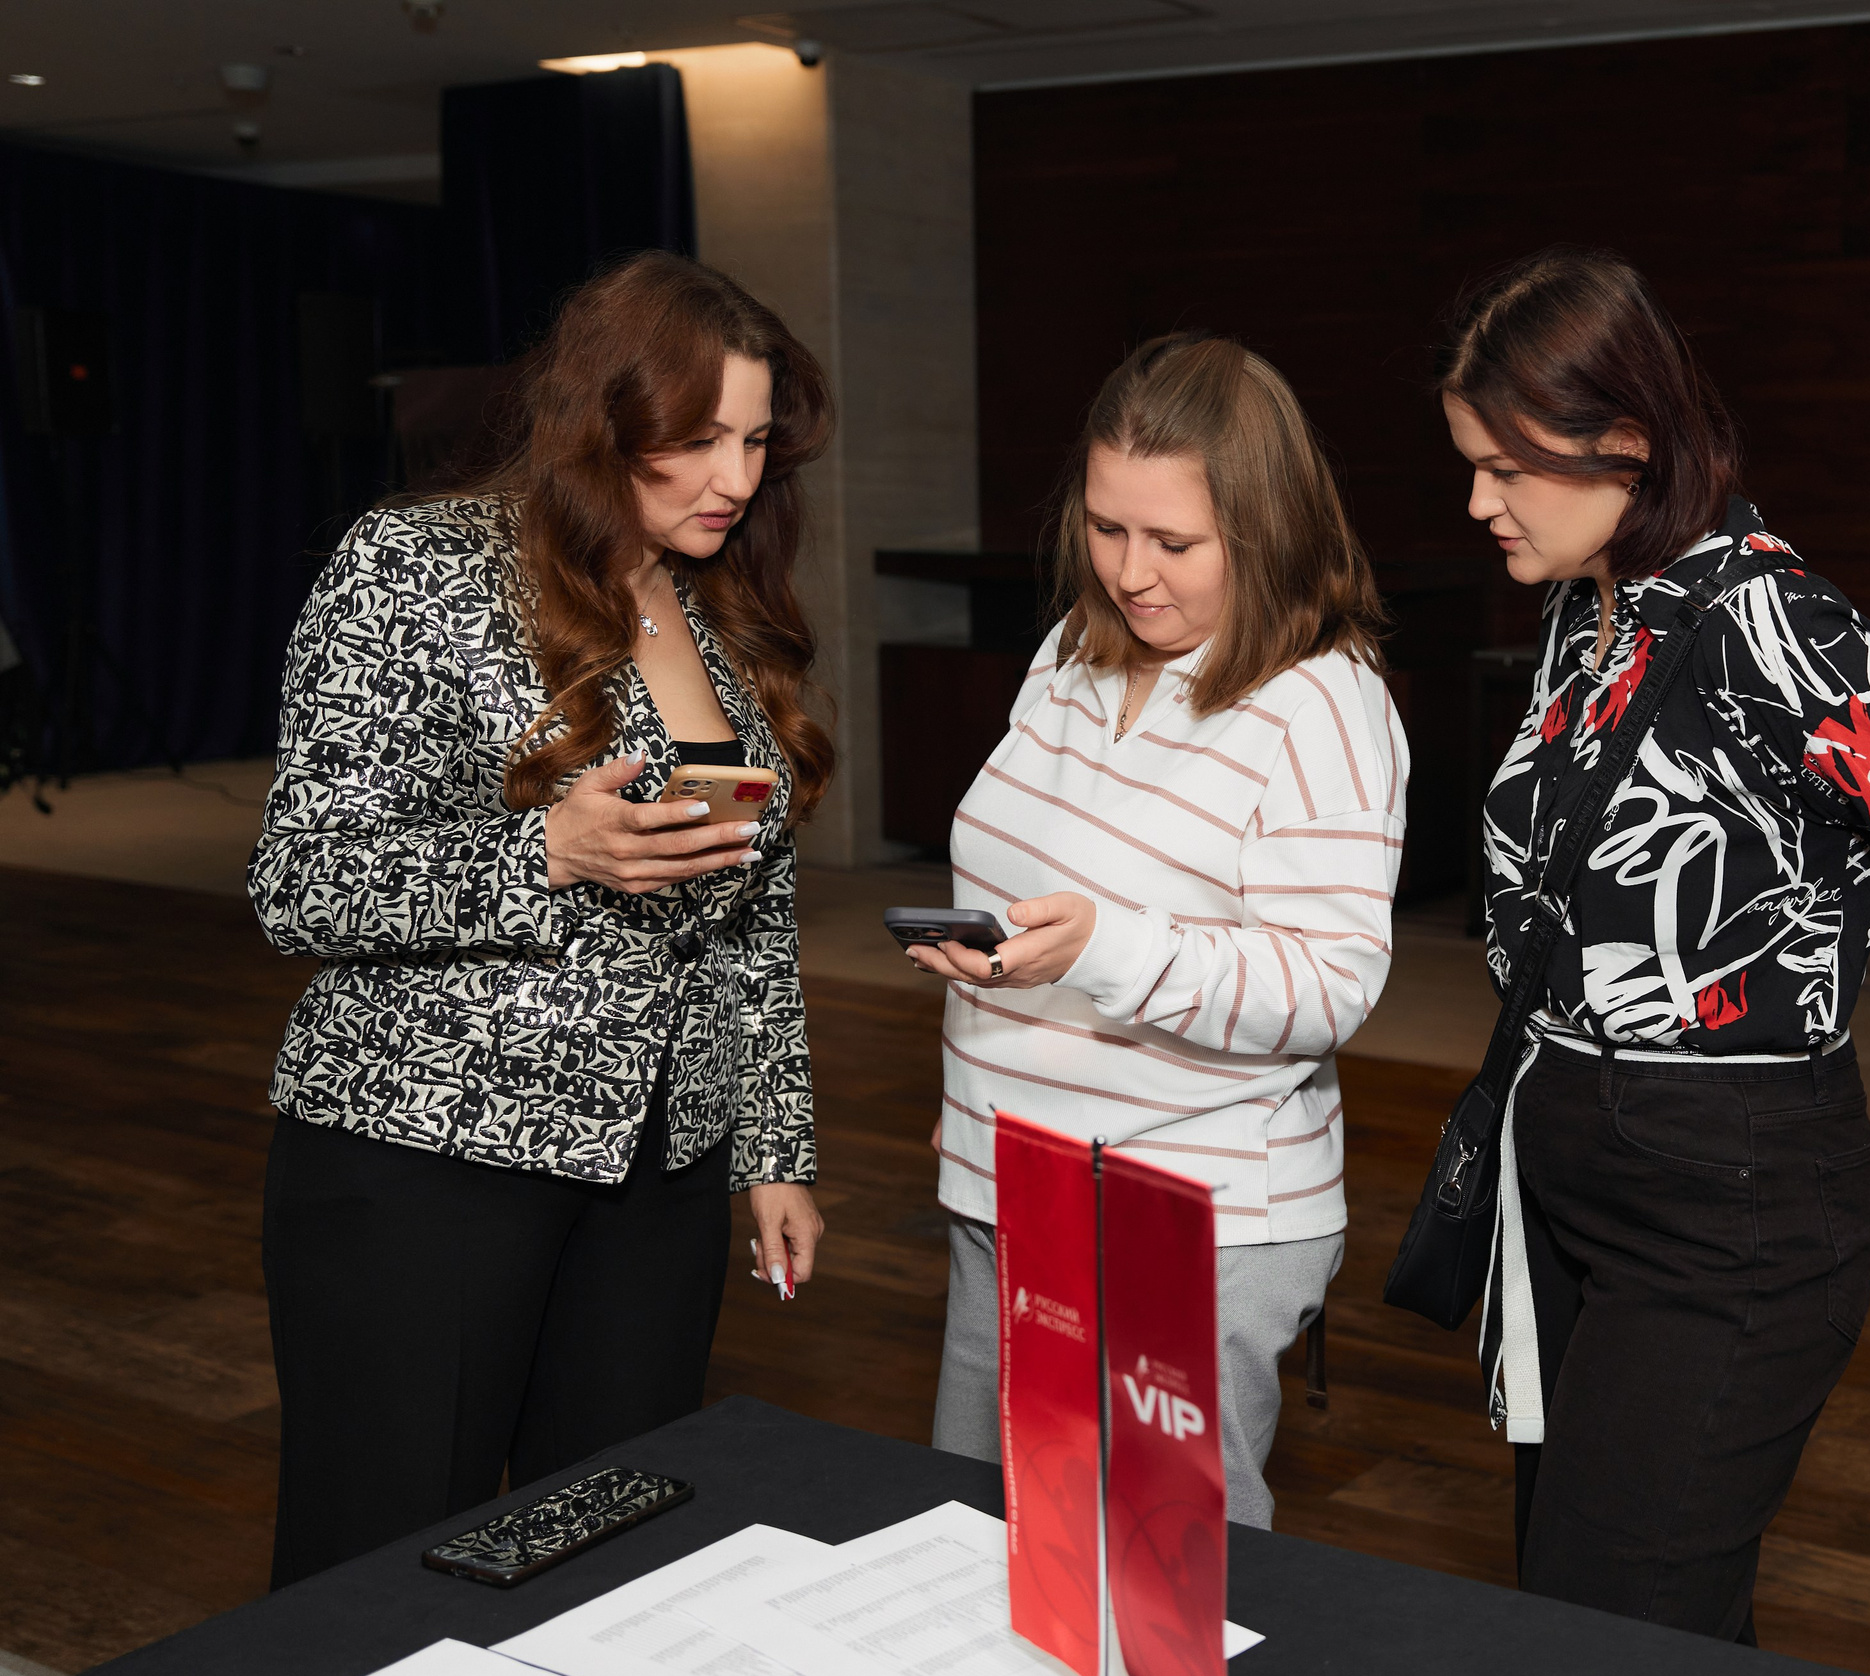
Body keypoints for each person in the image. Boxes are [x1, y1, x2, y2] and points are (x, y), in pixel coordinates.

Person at [1440, 248, 1870, 1640]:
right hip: (1572, 1171)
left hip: (1722, 1198)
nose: (1479, 499)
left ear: (1624, 439)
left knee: (1604, 1622)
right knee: (1625, 1605)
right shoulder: (1590, 601)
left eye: (1506, 464)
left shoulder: (1767, 615)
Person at [249, 252, 834, 1587]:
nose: (734, 478)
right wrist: (547, 849)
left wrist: (773, 1147)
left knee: (616, 1556)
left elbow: (752, 920)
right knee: (381, 1564)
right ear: (603, 419)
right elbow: (300, 878)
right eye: (695, 439)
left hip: (655, 1178)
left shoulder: (716, 606)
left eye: (752, 439)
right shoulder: (414, 565)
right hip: (424, 1161)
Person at [909, 332, 1406, 1528]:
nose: (1133, 573)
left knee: (1157, 1593)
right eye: (1105, 526)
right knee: (971, 1550)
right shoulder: (1070, 654)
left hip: (1187, 1211)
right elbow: (1028, 894)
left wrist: (1105, 950)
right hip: (1008, 1177)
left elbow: (1327, 984)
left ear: (1267, 525)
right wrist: (979, 1064)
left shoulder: (1320, 703)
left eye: (1175, 543)